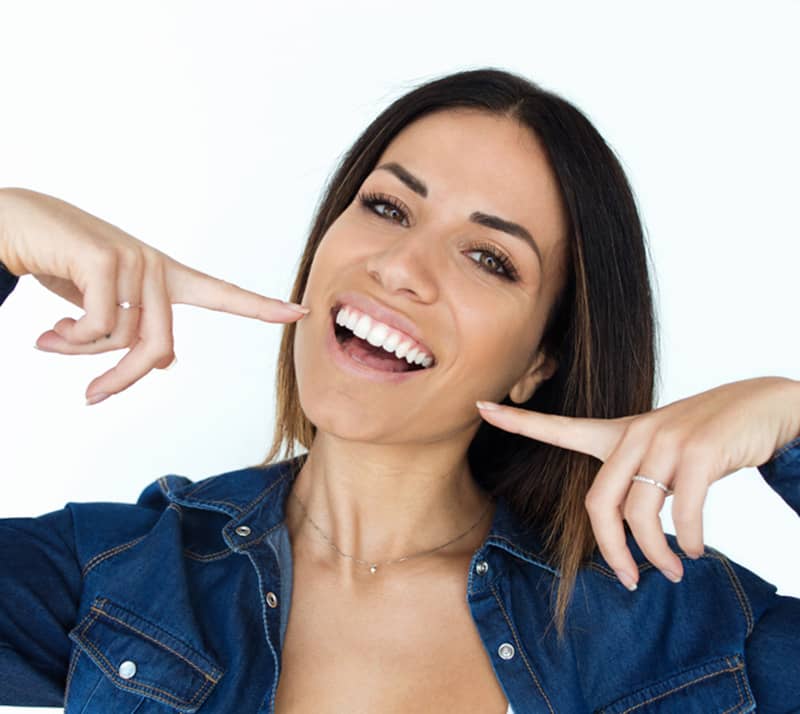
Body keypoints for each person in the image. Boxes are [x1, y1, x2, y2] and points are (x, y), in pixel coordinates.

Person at [0, 67, 798, 713]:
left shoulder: (680, 628)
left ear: (540, 362)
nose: (399, 268)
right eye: (386, 207)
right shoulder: (125, 575)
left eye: (489, 257)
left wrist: (790, 417)